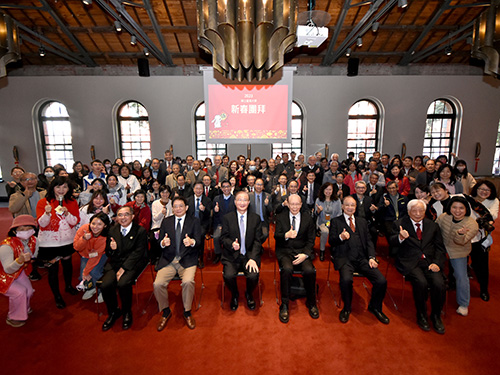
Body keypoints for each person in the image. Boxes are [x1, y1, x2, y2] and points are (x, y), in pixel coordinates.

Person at [328, 196, 389, 324]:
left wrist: (372, 257)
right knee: (346, 280)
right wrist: (340, 237)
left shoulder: (362, 222)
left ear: (356, 208)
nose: (350, 208)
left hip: (362, 259)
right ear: (343, 207)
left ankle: (375, 307)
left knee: (381, 280)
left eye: (353, 205)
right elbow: (331, 241)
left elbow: (369, 242)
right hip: (345, 259)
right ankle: (347, 308)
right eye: (347, 205)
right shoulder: (336, 221)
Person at [390, 199, 446, 334]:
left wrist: (437, 263)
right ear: (409, 212)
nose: (418, 213)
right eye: (414, 210)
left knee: (439, 283)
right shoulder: (399, 224)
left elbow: (440, 248)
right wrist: (400, 238)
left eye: (421, 210)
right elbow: (391, 243)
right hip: (409, 261)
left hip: (430, 262)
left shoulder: (432, 225)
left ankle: (436, 315)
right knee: (420, 282)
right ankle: (421, 314)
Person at [154, 196, 202, 331]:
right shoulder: (166, 221)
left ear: (186, 208)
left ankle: (187, 312)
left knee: (187, 282)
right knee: (157, 284)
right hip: (169, 259)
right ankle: (165, 311)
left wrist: (192, 242)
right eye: (175, 206)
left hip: (187, 259)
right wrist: (163, 243)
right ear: (172, 208)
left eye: (181, 206)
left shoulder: (194, 221)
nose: (178, 209)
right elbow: (159, 242)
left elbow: (199, 241)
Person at [101, 205, 148, 331]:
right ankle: (113, 312)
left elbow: (138, 253)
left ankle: (127, 312)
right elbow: (108, 252)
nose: (123, 218)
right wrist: (112, 249)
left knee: (123, 283)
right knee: (105, 284)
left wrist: (123, 268)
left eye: (126, 214)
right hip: (115, 262)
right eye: (120, 215)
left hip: (132, 263)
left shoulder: (140, 231)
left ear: (132, 216)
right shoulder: (112, 230)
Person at [36, 176, 80, 309]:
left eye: (65, 187)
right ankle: (57, 296)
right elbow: (41, 224)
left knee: (67, 264)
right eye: (58, 187)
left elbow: (74, 222)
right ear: (53, 187)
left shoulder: (72, 202)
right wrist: (47, 213)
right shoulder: (44, 202)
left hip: (66, 240)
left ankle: (68, 286)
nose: (61, 190)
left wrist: (67, 214)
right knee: (53, 270)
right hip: (49, 243)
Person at [274, 194, 319, 323]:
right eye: (292, 204)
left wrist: (305, 254)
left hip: (302, 252)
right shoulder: (281, 217)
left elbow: (311, 240)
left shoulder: (308, 218)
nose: (294, 207)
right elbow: (277, 236)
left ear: (301, 204)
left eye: (297, 204)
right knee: (287, 269)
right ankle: (285, 304)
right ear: (287, 204)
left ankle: (311, 302)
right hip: (285, 251)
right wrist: (286, 235)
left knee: (310, 271)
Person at [436, 197, 478, 316]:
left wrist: (459, 234)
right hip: (442, 248)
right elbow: (435, 229)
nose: (457, 211)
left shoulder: (472, 223)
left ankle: (464, 303)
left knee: (461, 276)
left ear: (466, 209)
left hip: (458, 250)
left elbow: (461, 242)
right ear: (450, 207)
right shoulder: (444, 217)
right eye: (454, 207)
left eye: (461, 208)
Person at [220, 191, 262, 311]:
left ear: (249, 202)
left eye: (245, 200)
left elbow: (257, 241)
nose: (242, 203)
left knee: (254, 275)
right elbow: (223, 238)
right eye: (239, 200)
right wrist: (231, 244)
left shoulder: (255, 218)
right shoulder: (227, 218)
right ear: (235, 202)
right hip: (231, 256)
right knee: (228, 275)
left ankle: (249, 293)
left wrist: (253, 258)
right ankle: (235, 294)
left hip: (249, 255)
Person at [0, 215, 37, 327]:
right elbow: (8, 269)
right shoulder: (6, 246)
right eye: (21, 229)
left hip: (19, 272)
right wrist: (19, 261)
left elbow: (34, 256)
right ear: (14, 230)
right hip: (3, 275)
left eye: (28, 228)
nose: (25, 231)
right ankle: (14, 317)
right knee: (19, 292)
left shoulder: (34, 241)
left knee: (29, 291)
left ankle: (24, 308)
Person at [468, 180, 499, 302]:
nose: (483, 192)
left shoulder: (493, 201)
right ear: (476, 188)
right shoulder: (469, 199)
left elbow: (493, 215)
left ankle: (484, 289)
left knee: (482, 264)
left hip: (481, 237)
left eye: (487, 190)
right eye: (481, 189)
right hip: (466, 234)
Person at [73, 212, 111, 302]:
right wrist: (84, 239)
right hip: (85, 254)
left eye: (99, 224)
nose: (95, 227)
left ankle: (104, 290)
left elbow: (95, 257)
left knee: (93, 272)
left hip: (100, 255)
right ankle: (92, 288)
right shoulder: (84, 229)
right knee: (83, 275)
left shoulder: (104, 237)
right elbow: (76, 247)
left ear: (105, 226)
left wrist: (86, 272)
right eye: (93, 223)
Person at [187, 182, 212, 268]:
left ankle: (199, 258)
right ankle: (190, 256)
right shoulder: (188, 200)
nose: (198, 190)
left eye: (200, 188)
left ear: (203, 189)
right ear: (193, 189)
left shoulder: (207, 200)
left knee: (200, 235)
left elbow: (209, 215)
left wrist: (204, 210)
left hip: (202, 224)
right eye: (196, 188)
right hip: (190, 224)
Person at [315, 182, 342, 261]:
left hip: (334, 222)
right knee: (325, 231)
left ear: (333, 190)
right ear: (323, 190)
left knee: (336, 230)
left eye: (330, 189)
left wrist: (333, 223)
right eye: (326, 189)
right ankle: (322, 251)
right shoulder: (319, 200)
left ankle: (334, 250)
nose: (328, 191)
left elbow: (339, 213)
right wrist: (318, 211)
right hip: (322, 222)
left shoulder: (337, 200)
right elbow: (315, 214)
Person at [211, 180, 236, 264]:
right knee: (216, 237)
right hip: (219, 223)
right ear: (221, 188)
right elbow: (214, 216)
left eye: (227, 186)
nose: (226, 189)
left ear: (231, 187)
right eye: (224, 187)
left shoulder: (235, 199)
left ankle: (231, 252)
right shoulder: (216, 199)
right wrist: (215, 210)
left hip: (232, 225)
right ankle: (218, 254)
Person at [248, 178, 272, 243]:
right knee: (251, 235)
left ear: (263, 186)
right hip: (252, 221)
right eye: (258, 184)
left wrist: (267, 205)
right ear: (254, 185)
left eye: (261, 185)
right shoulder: (249, 196)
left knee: (265, 234)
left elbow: (270, 211)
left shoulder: (267, 196)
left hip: (263, 221)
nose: (259, 186)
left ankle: (258, 245)